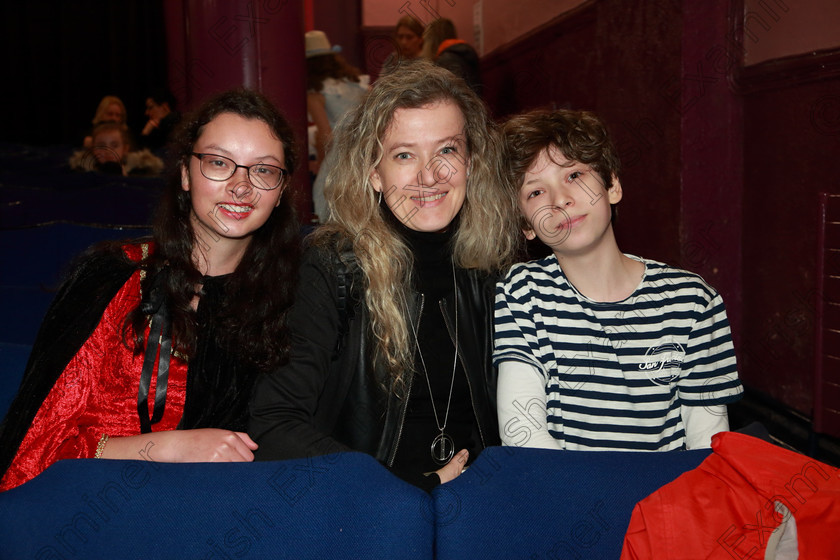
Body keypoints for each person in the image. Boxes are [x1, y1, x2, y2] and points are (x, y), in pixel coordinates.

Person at [0, 88, 300, 491]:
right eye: (218, 162)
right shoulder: (114, 279)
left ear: (281, 191)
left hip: (224, 507)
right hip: (97, 503)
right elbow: (31, 452)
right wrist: (166, 448)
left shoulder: (294, 296)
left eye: (263, 170)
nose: (241, 185)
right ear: (184, 174)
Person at [250, 61, 519, 490]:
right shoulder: (331, 267)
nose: (430, 176)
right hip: (370, 513)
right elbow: (273, 424)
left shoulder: (494, 269)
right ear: (374, 173)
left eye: (447, 150)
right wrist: (404, 485)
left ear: (472, 161)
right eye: (404, 155)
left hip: (476, 508)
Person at [494, 109, 743, 452]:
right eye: (535, 192)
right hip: (564, 492)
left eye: (575, 175)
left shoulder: (694, 301)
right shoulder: (522, 292)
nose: (559, 200)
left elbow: (705, 446)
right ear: (526, 226)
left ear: (612, 185)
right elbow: (521, 432)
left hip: (665, 498)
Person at [305, 30, 368, 222]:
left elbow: (327, 135)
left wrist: (319, 163)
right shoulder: (356, 83)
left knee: (329, 216)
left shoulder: (315, 91)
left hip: (338, 158)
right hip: (365, 153)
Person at [69, 121, 164, 176]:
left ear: (125, 148)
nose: (107, 151)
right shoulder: (81, 173)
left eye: (114, 145)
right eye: (101, 145)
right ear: (93, 148)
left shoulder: (143, 172)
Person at [422, 18, 482, 96]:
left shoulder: (447, 60)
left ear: (431, 41)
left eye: (425, 42)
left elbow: (449, 94)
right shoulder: (459, 55)